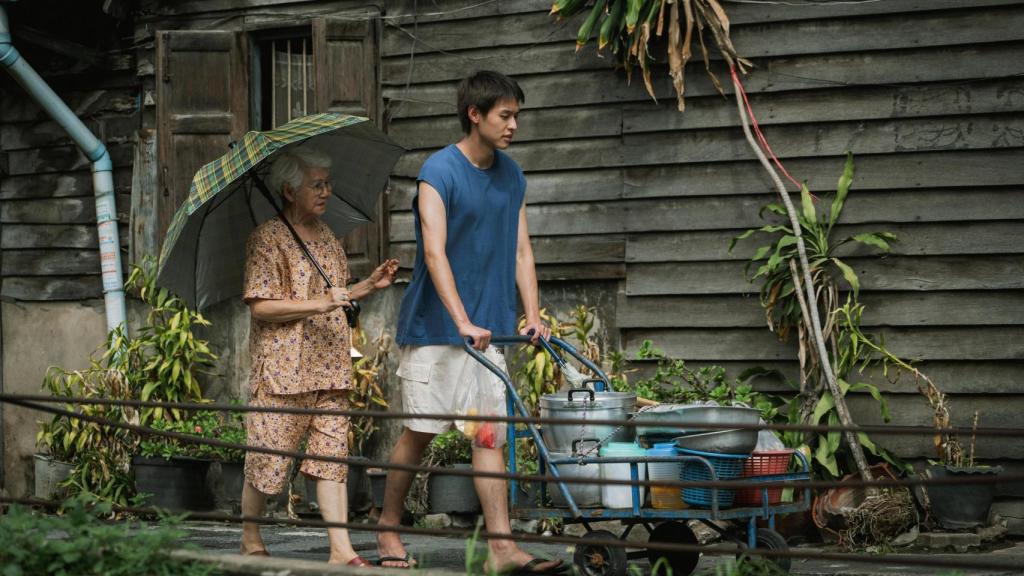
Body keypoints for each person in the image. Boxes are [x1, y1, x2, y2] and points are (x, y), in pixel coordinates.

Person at [376, 71, 562, 574]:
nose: (514, 125)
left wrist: (533, 315)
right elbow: (433, 253)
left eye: (517, 115)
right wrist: (461, 319)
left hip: (490, 333)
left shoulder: (512, 175)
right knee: (420, 434)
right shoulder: (438, 172)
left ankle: (501, 550)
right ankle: (388, 525)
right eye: (505, 115)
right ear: (474, 115)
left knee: (488, 438)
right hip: (437, 332)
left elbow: (523, 250)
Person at [240, 146, 399, 565]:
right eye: (317, 184)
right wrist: (317, 303)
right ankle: (249, 533)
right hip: (283, 370)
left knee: (332, 461)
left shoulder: (328, 236)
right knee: (268, 459)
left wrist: (367, 286)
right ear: (290, 191)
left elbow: (337, 295)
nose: (326, 191)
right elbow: (261, 306)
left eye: (328, 183)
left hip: (330, 365)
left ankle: (341, 550)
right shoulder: (266, 239)